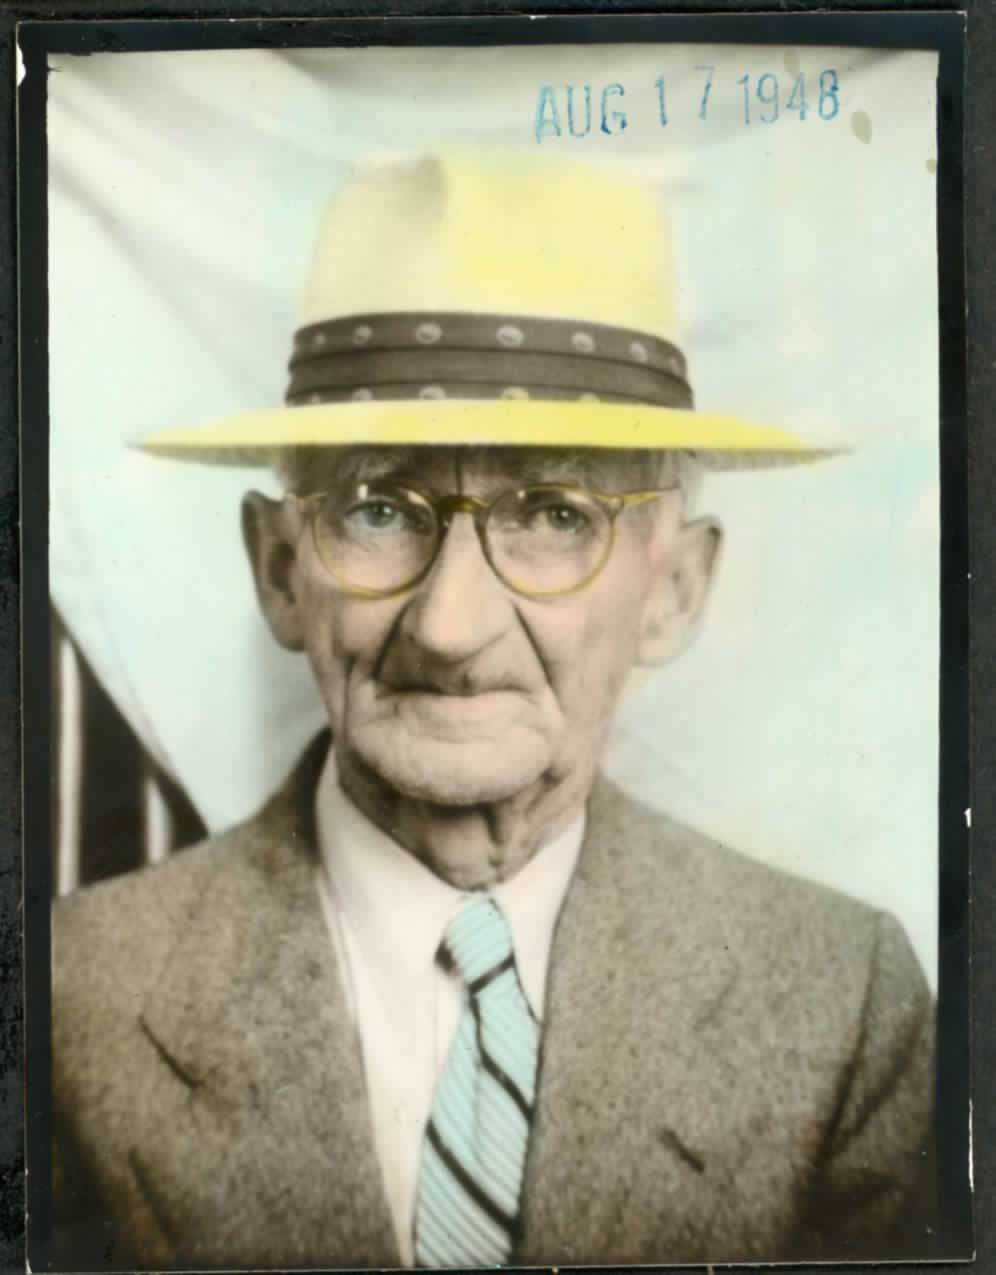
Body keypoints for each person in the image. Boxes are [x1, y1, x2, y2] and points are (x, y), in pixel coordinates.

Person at [51, 151, 935, 1270]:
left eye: (554, 513)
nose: (451, 626)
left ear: (674, 588)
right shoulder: (67, 998)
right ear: (280, 570)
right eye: (379, 509)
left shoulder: (842, 1003)